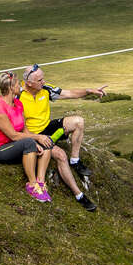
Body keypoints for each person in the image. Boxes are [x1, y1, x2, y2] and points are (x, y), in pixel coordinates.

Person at [0, 70, 92, 206]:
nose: (21, 86)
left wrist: (39, 139)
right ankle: (32, 185)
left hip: (15, 143)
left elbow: (23, 127)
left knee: (44, 143)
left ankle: (41, 184)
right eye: (18, 84)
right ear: (10, 88)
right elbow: (13, 135)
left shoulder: (17, 104)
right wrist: (36, 138)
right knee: (30, 143)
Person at [19, 63, 102, 207]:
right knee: (61, 155)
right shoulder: (18, 95)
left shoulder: (45, 89)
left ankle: (75, 160)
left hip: (47, 127)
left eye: (43, 78)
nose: (43, 82)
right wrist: (35, 138)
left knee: (78, 122)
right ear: (29, 83)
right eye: (40, 80)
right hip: (34, 135)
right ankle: (79, 195)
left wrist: (89, 91)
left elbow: (68, 93)